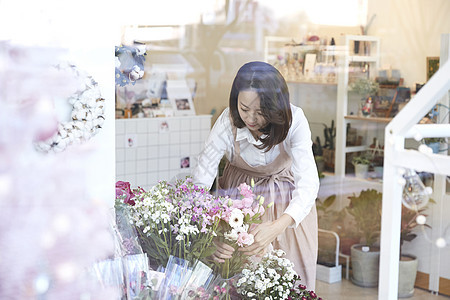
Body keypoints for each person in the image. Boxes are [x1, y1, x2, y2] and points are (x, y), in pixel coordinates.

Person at [192, 61, 319, 290]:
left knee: (287, 282)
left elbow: (309, 183)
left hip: (286, 207)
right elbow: (201, 179)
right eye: (244, 108)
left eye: (260, 112)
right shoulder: (227, 121)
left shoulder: (295, 120)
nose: (250, 118)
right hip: (237, 208)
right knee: (239, 282)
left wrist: (277, 226)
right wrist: (214, 232)